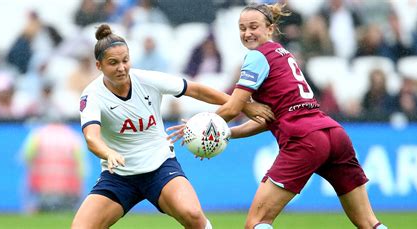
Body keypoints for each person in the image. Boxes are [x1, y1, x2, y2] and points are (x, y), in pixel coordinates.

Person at [168, 3, 386, 229]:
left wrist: (201, 127)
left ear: (270, 29)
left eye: (254, 27)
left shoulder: (257, 57)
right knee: (369, 223)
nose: (247, 33)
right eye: (242, 28)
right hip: (333, 134)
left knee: (257, 223)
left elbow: (233, 107)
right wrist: (224, 134)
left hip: (305, 139)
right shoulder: (282, 54)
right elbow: (269, 119)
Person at [71, 24, 274, 229]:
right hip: (119, 177)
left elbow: (196, 90)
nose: (122, 67)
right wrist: (108, 153)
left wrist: (243, 106)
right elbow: (91, 138)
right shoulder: (92, 95)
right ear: (99, 66)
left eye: (125, 60)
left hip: (160, 168)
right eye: (113, 63)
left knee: (193, 216)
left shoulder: (147, 79)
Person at [22, 121, 85, 213]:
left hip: (42, 184)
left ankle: (29, 210)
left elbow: (27, 157)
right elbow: (80, 162)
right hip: (67, 185)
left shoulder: (38, 134)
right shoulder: (72, 136)